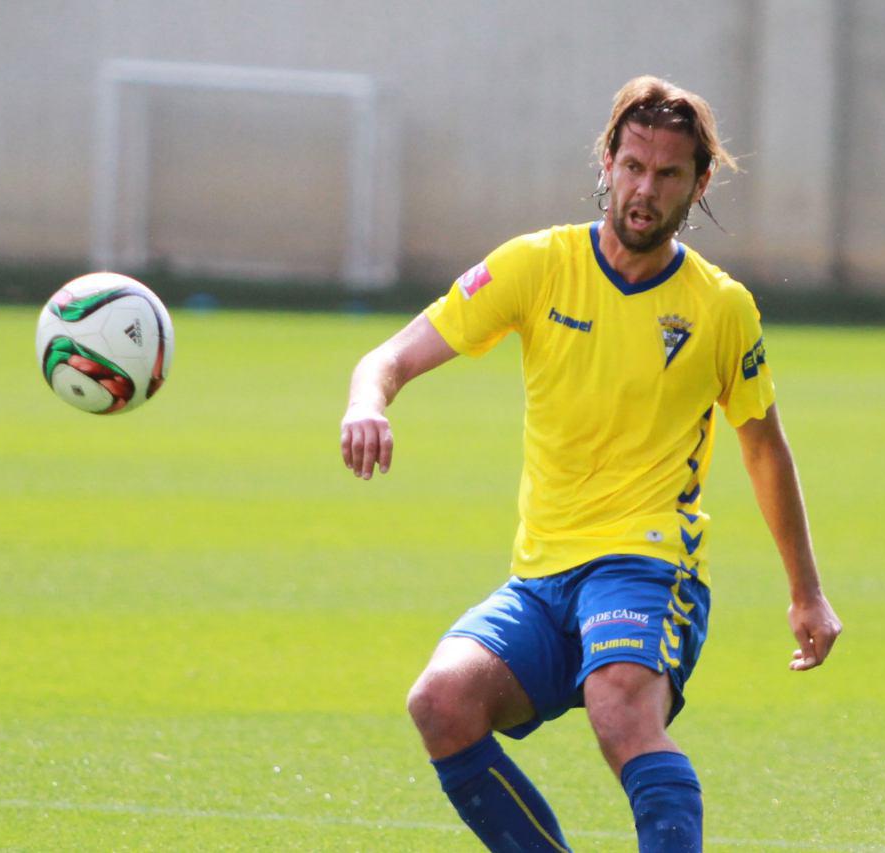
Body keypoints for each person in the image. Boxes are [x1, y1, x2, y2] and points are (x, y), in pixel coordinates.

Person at [339, 75, 842, 852]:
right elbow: (390, 356)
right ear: (606, 161)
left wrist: (806, 592)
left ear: (698, 184)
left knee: (619, 711)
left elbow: (763, 446)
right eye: (633, 165)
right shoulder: (536, 265)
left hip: (649, 564)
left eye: (668, 174)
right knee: (440, 702)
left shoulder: (720, 306)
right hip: (541, 577)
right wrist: (367, 402)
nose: (646, 189)